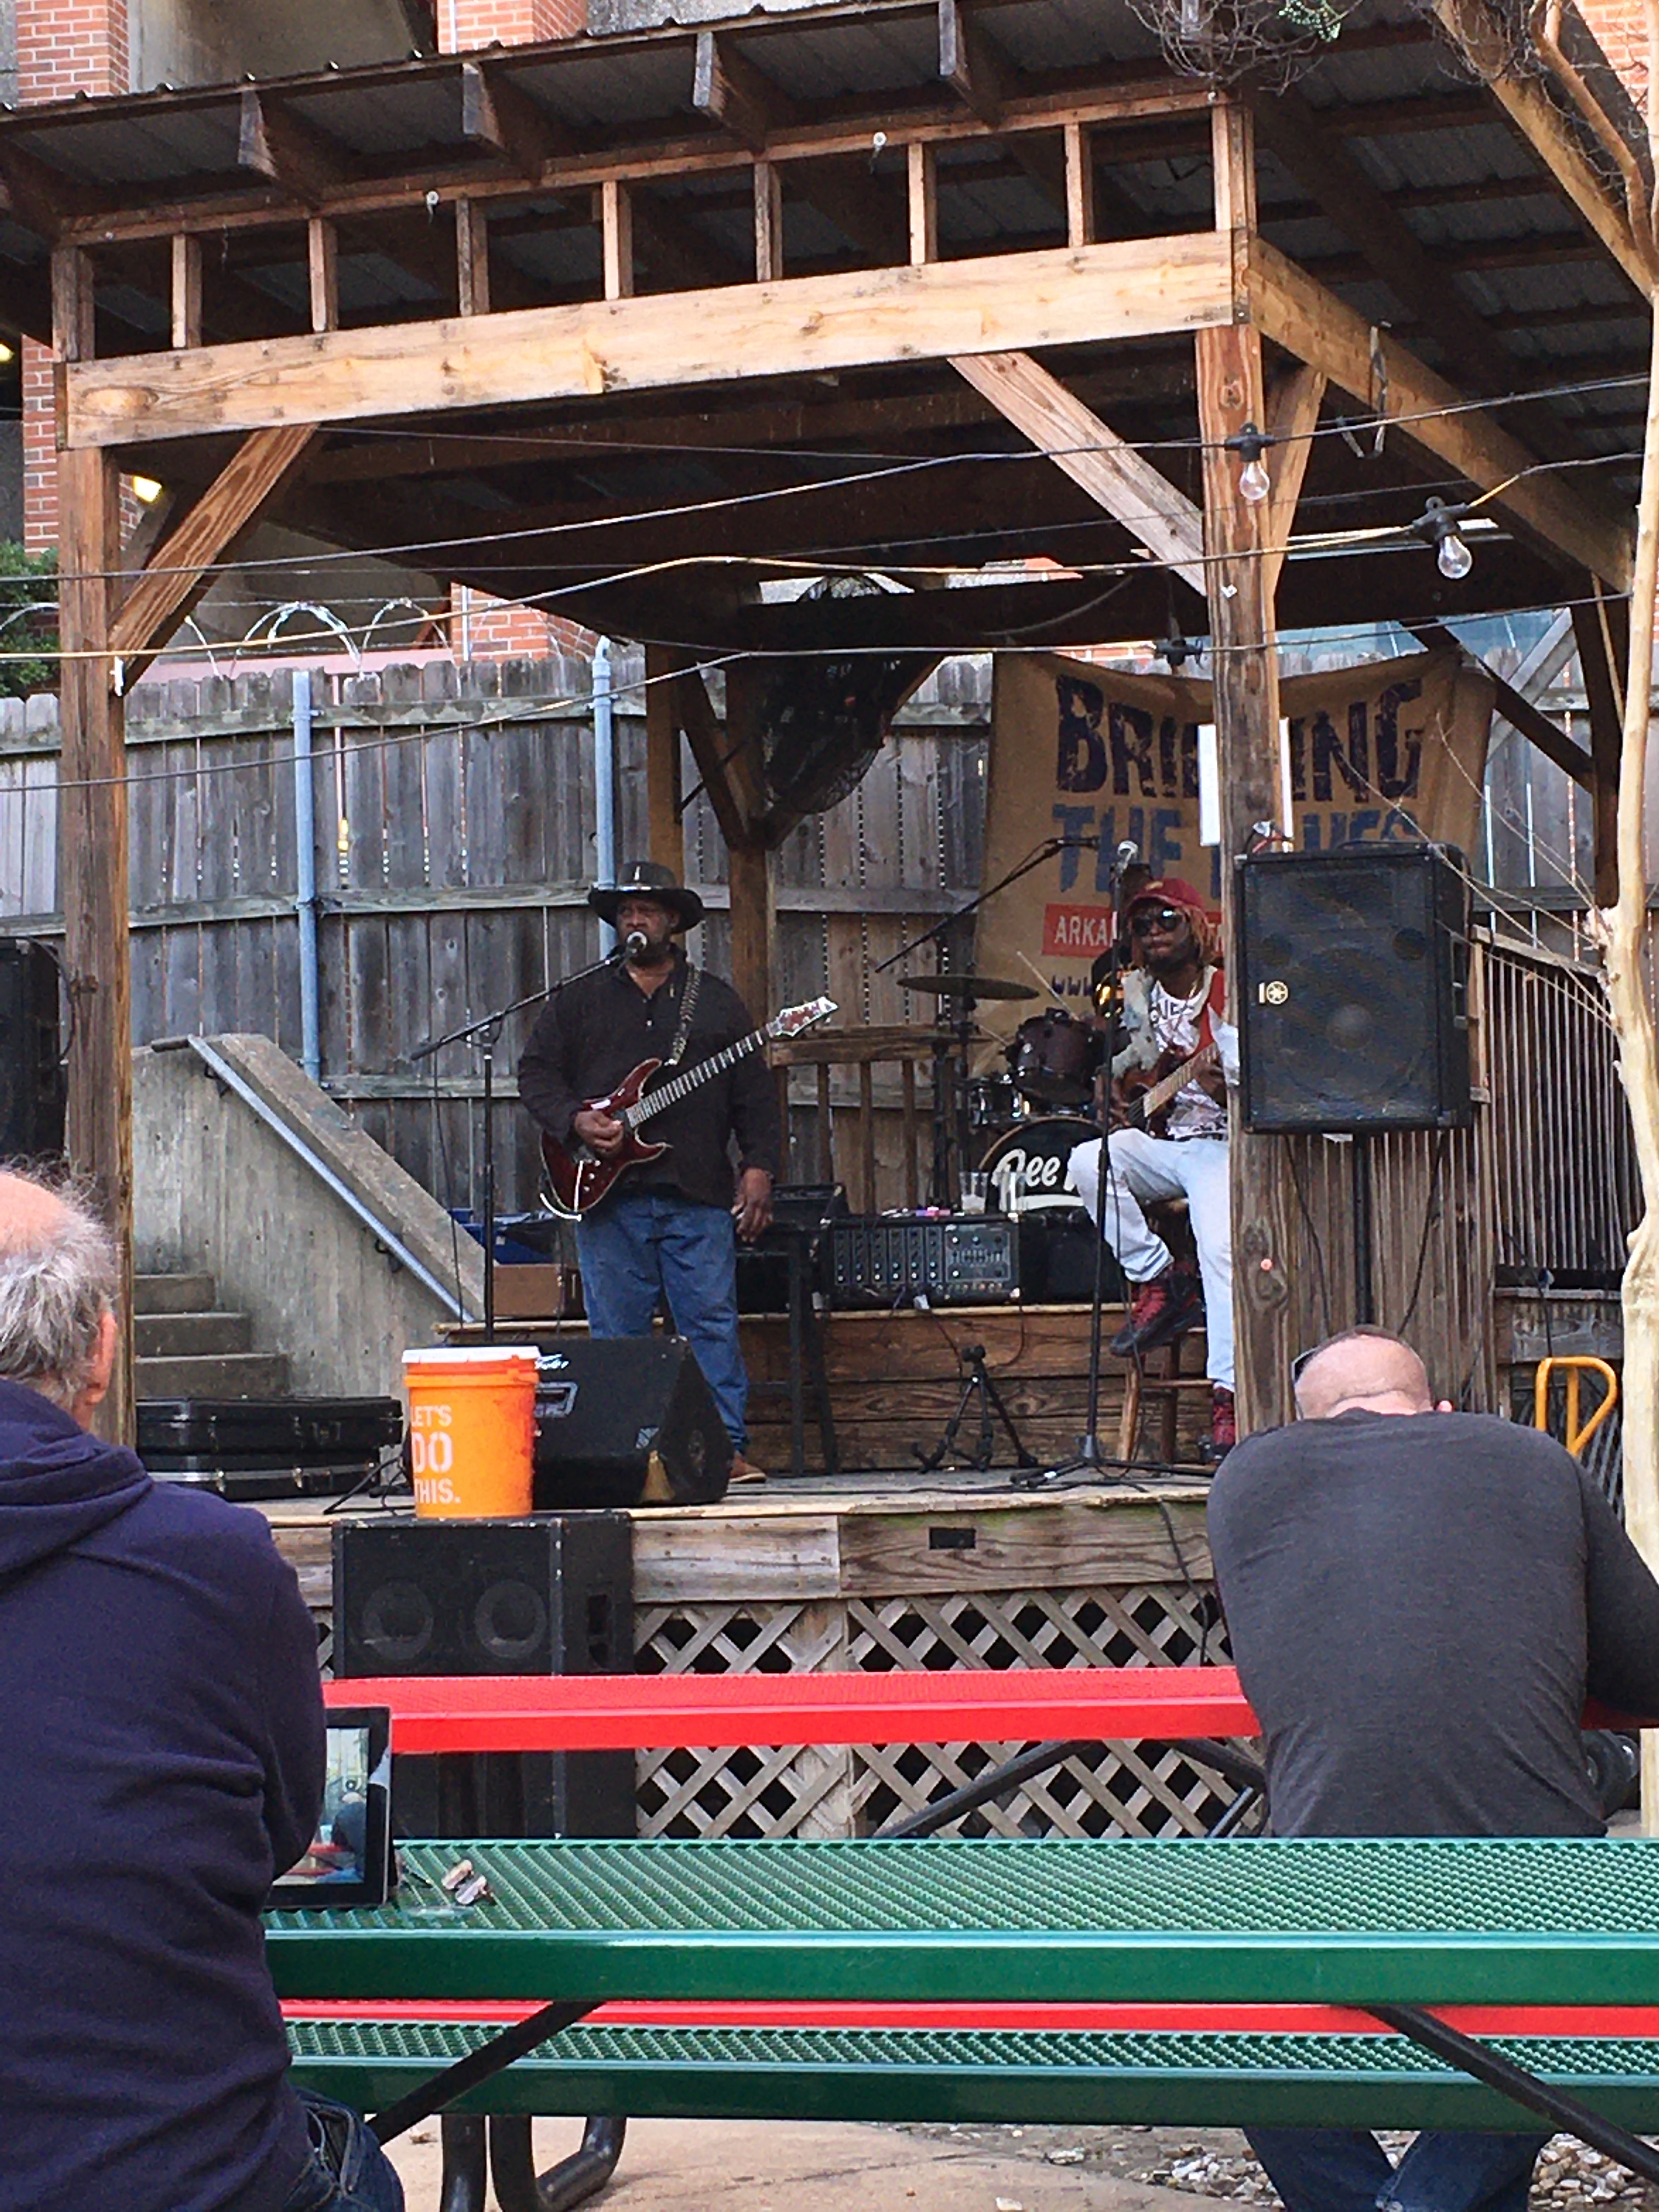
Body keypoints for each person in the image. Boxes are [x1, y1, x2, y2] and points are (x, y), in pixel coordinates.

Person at [0, 1165, 403, 2212]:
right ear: (101, 1349)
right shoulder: (213, 1564)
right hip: (180, 2181)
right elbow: (279, 1836)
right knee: (354, 2164)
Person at [1207, 1324, 1659, 2212]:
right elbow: (1645, 1674)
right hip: (1533, 1911)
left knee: (1241, 2031)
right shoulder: (1528, 1457)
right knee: (1563, 2004)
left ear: (1308, 1423)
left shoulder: (1246, 1480)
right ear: (1439, 1409)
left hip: (1329, 1902)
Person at [518, 859, 782, 1483]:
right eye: (627, 911)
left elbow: (754, 1095)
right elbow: (536, 1074)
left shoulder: (714, 1002)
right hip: (608, 1198)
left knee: (709, 1325)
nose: (636, 920)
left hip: (697, 1191)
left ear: (672, 923)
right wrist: (576, 1121)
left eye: (649, 911)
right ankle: (626, 1453)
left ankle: (723, 1451)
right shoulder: (579, 998)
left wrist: (759, 1167)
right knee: (619, 1337)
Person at [1068, 876, 1238, 1459]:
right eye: (1143, 924)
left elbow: (1268, 1079)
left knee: (1221, 1250)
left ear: (1196, 926)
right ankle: (1161, 1277)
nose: (1154, 932)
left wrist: (1227, 1089)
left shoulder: (1228, 993)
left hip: (1222, 1146)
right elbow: (1127, 1063)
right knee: (1088, 1161)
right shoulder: (1135, 996)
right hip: (1167, 1144)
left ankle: (1229, 1397)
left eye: (1168, 919)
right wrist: (1109, 1085)